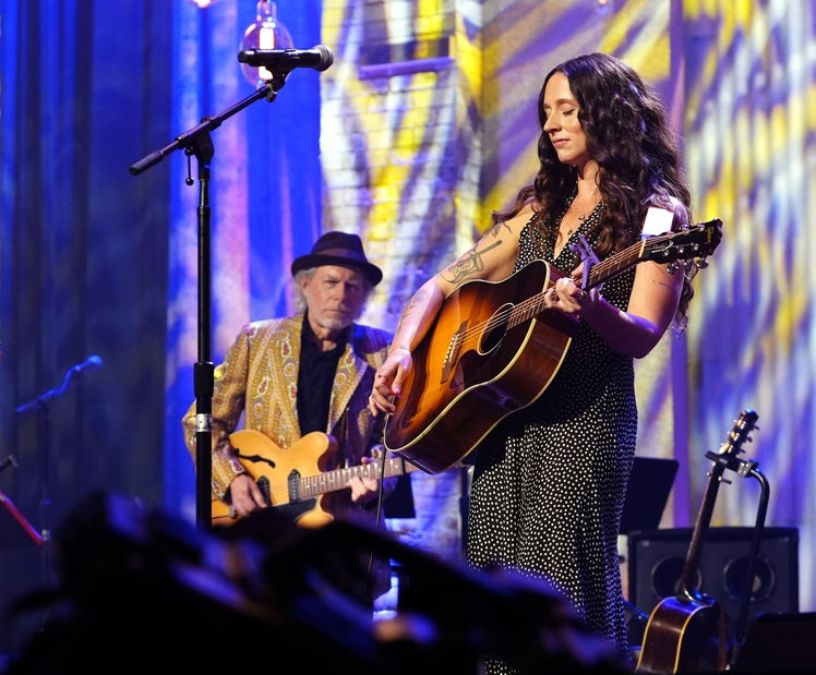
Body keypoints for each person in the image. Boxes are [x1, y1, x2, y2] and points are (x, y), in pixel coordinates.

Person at [371, 53, 693, 667]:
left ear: (610, 115)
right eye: (547, 112)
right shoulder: (536, 212)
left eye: (568, 110)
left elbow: (645, 332)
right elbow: (438, 286)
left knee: (559, 586)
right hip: (501, 423)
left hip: (582, 422)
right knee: (492, 587)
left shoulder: (657, 217)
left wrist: (594, 307)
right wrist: (403, 353)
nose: (552, 124)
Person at [183, 231, 395, 529]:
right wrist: (232, 479)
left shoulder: (382, 350)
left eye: (353, 287)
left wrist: (377, 480)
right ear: (305, 285)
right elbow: (201, 421)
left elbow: (394, 440)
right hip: (264, 526)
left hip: (344, 530)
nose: (341, 295)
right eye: (331, 282)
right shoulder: (256, 340)